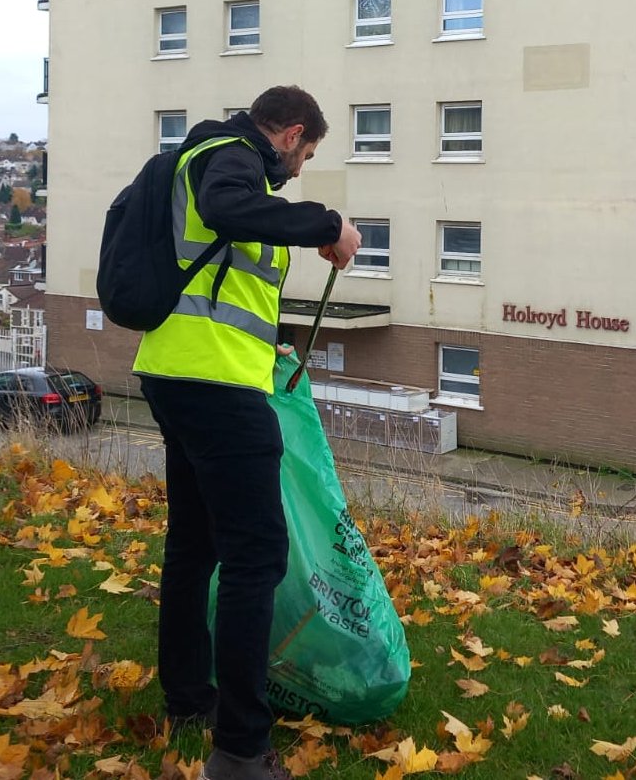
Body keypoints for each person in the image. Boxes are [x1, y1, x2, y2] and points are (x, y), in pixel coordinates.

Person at [133, 86, 361, 780]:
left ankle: (187, 696)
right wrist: (327, 223)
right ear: (289, 134)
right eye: (305, 156)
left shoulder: (198, 156)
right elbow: (230, 210)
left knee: (195, 542)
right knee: (255, 557)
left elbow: (226, 284)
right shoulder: (231, 157)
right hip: (216, 389)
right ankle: (238, 749)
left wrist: (269, 351)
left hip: (177, 370)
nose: (296, 172)